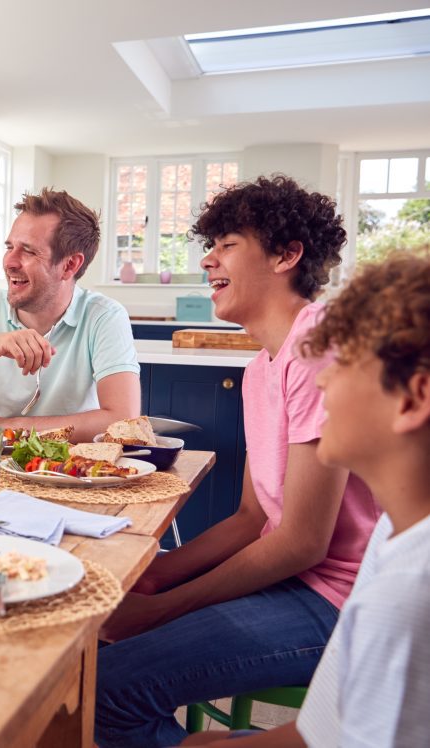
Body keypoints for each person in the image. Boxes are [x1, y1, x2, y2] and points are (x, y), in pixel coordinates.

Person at [94, 175, 380, 747]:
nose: (207, 259)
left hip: (342, 603)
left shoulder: (316, 348)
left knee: (107, 689)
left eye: (226, 244)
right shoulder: (261, 367)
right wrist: (154, 577)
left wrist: (159, 611)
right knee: (102, 639)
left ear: (286, 254)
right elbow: (253, 517)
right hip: (296, 582)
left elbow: (301, 541)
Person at [181, 252, 430, 746]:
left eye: (347, 362)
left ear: (411, 399)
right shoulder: (393, 537)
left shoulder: (406, 595)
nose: (322, 377)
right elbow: (327, 730)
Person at [0, 187, 139, 438]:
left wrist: (11, 428)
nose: (10, 262)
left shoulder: (104, 316)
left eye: (28, 251)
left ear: (70, 265)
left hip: (72, 467)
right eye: (9, 247)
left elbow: (122, 420)